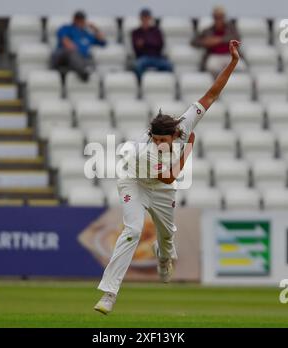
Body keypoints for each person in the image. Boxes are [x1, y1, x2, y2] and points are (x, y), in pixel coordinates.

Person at [94, 40, 241, 315]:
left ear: (175, 133)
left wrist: (232, 62)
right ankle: (109, 294)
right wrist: (189, 149)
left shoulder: (184, 125)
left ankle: (163, 260)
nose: (162, 144)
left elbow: (211, 94)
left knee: (165, 238)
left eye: (166, 139)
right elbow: (170, 178)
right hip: (134, 181)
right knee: (133, 231)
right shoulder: (144, 151)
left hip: (161, 191)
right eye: (157, 139)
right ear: (152, 137)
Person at [52, 11, 106, 81]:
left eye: (81, 19)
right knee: (72, 53)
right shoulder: (66, 28)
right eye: (77, 19)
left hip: (81, 59)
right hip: (64, 59)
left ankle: (88, 73)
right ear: (74, 19)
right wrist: (73, 48)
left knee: (90, 59)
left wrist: (95, 29)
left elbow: (103, 42)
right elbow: (65, 41)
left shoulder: (87, 34)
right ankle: (83, 72)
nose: (79, 21)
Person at [191, 6, 246, 75]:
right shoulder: (208, 30)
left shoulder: (231, 28)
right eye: (216, 17)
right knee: (212, 67)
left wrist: (220, 40)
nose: (219, 19)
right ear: (213, 17)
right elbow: (194, 42)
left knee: (241, 67)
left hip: (230, 55)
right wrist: (205, 42)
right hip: (214, 56)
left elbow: (237, 38)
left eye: (221, 17)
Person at [132, 8, 173, 79]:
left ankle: (161, 82)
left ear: (150, 18)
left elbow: (160, 45)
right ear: (140, 18)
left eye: (147, 17)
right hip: (143, 57)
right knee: (137, 66)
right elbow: (136, 48)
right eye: (143, 17)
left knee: (169, 66)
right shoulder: (136, 32)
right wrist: (151, 42)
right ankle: (142, 84)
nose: (145, 19)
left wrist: (144, 43)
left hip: (157, 57)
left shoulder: (156, 31)